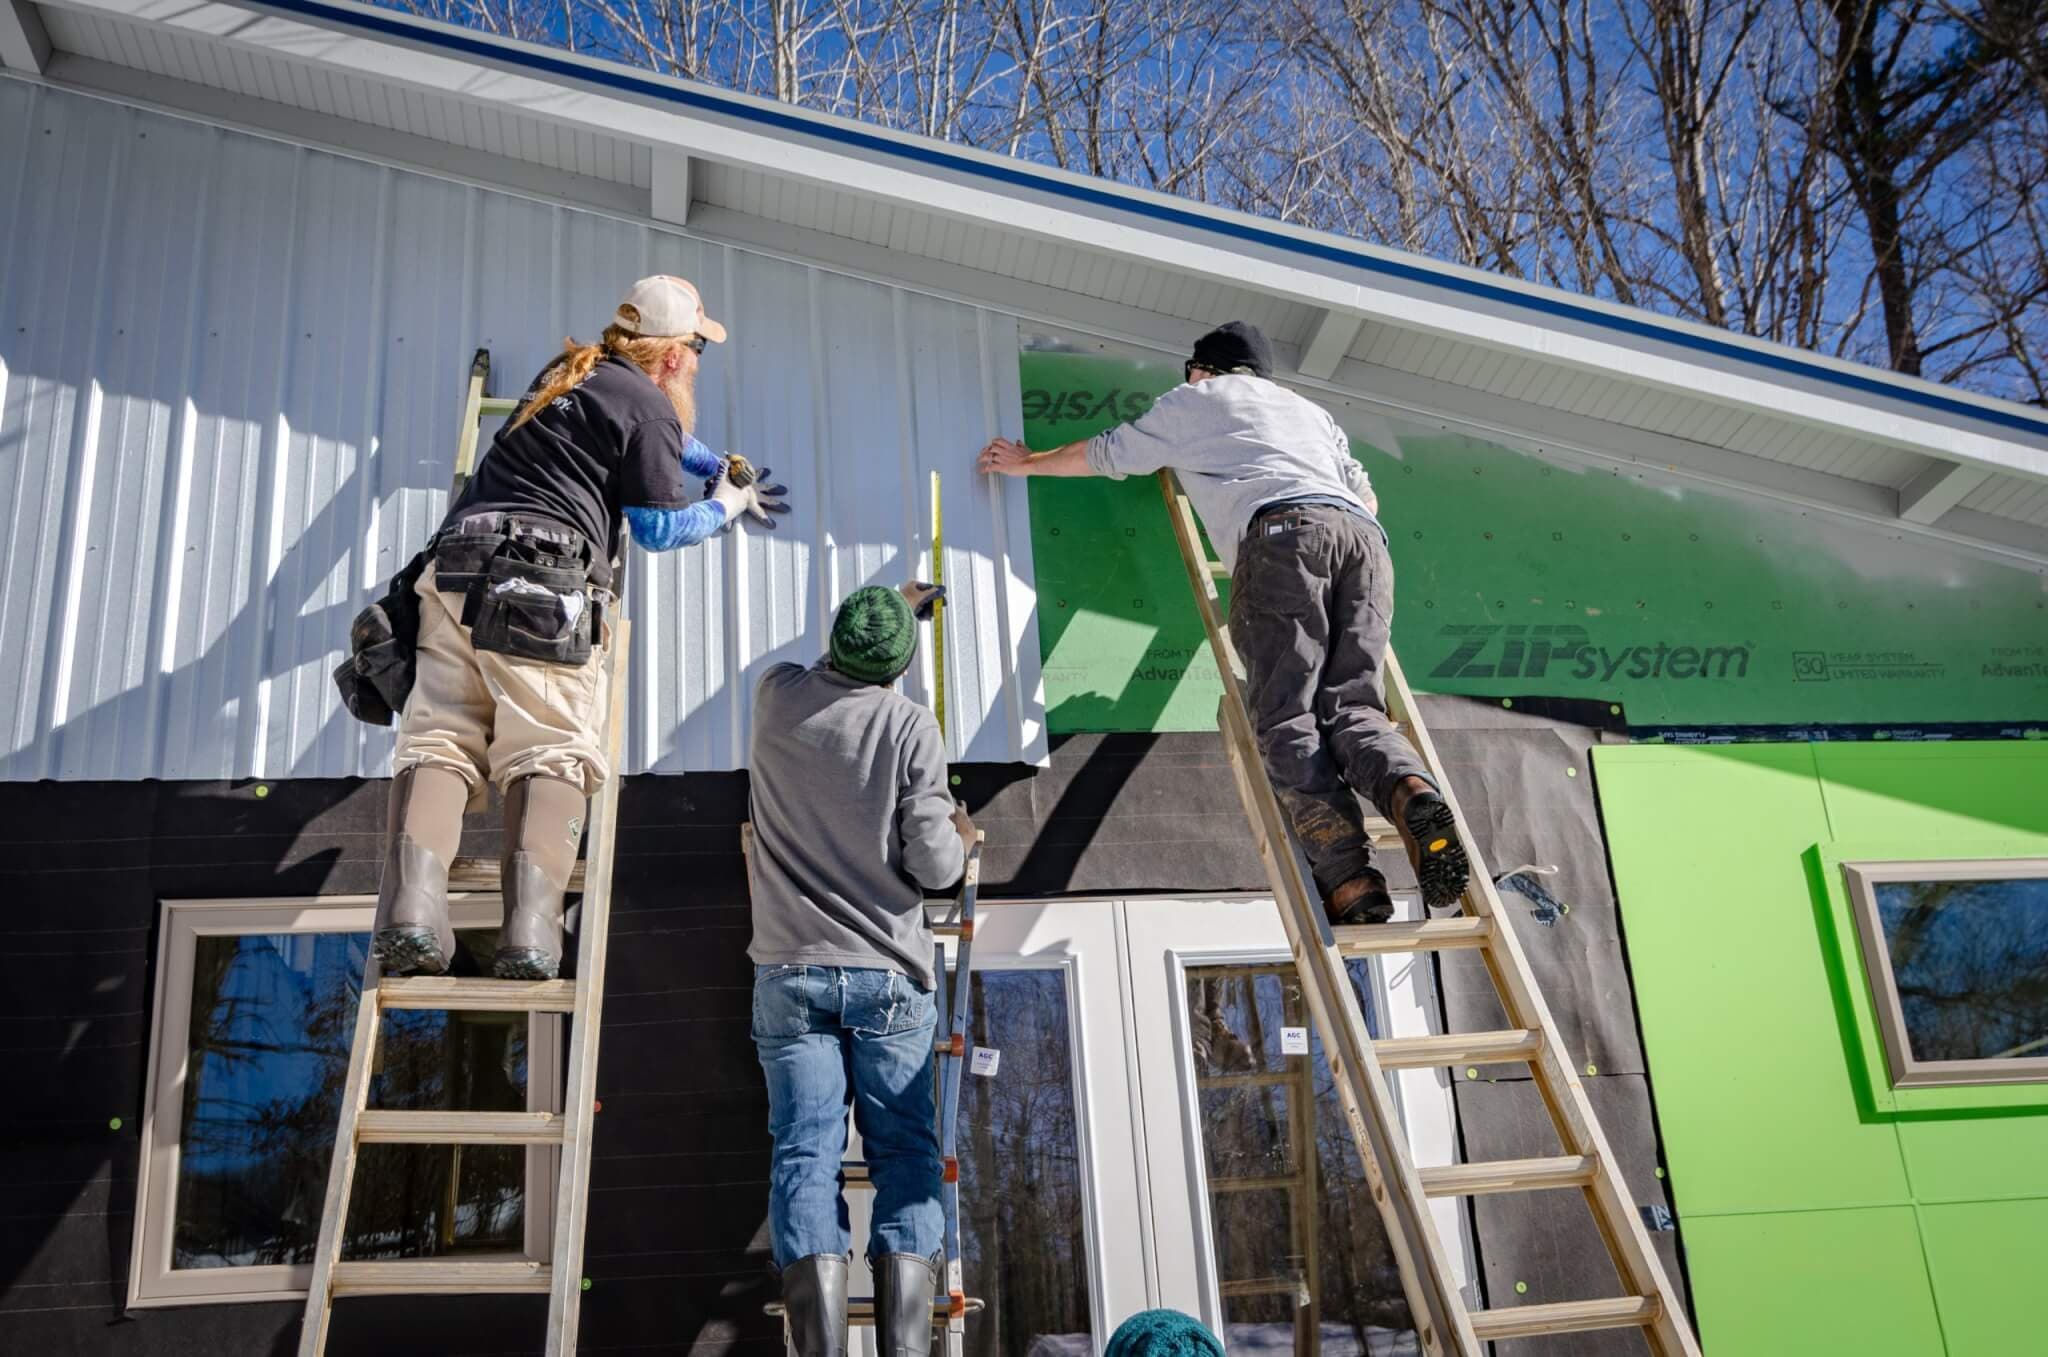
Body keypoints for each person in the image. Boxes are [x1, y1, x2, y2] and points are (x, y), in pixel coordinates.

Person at [975, 321, 1470, 923]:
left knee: (1288, 713)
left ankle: (1350, 882)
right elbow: (1366, 500)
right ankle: (1409, 789)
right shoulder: (1310, 413)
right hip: (1366, 546)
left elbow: (1111, 453)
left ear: (1203, 369)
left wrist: (1028, 463)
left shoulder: (1199, 399)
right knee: (1355, 707)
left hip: (1284, 540)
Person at [373, 275, 789, 981]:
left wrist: (713, 462)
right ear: (671, 358)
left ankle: (412, 912)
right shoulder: (651, 409)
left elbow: (656, 435)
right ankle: (530, 933)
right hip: (541, 585)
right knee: (551, 748)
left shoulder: (570, 373)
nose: (696, 362)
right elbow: (657, 526)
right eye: (695, 349)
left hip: (454, 567)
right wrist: (723, 502)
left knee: (440, 738)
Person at [745, 583, 975, 1357]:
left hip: (791, 970)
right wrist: (962, 835)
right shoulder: (910, 725)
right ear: (900, 666)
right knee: (905, 1155)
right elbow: (935, 865)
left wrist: (890, 617)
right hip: (886, 973)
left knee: (805, 1153)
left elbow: (827, 670)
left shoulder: (775, 698)